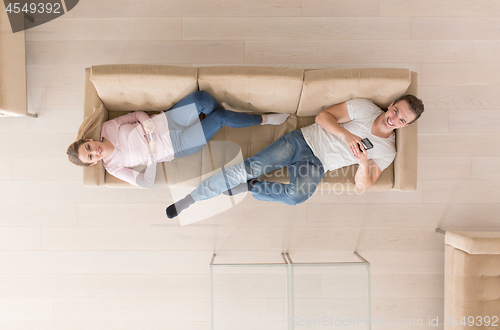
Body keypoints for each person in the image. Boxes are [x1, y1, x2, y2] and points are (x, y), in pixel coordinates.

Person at [166, 95, 424, 218]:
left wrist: (362, 162)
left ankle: (253, 188)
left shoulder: (388, 151)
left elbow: (363, 184)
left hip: (318, 164)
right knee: (248, 167)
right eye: (397, 111)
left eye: (402, 120)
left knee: (296, 196)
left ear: (406, 126)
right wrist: (347, 136)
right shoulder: (365, 108)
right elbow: (322, 117)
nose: (395, 119)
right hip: (302, 140)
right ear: (392, 105)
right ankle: (192, 198)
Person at [67, 91, 290, 187]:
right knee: (221, 117)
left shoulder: (108, 127)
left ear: (88, 139)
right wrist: (152, 158)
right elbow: (146, 182)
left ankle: (215, 119)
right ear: (93, 163)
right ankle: (265, 119)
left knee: (204, 99)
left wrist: (146, 122)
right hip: (178, 145)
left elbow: (136, 115)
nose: (94, 150)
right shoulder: (114, 167)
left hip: (167, 120)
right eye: (90, 156)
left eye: (88, 146)